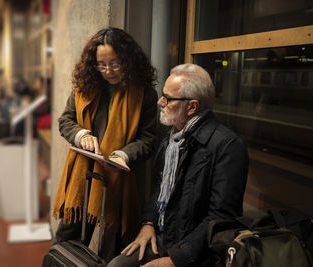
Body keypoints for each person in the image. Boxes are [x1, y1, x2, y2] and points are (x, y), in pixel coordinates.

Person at [107, 63, 249, 267]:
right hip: (164, 237)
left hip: (196, 252)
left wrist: (176, 259)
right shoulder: (172, 139)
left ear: (192, 107)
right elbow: (161, 187)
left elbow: (221, 217)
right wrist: (148, 223)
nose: (159, 102)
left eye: (168, 98)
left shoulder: (228, 146)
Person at [53, 27, 158, 261]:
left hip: (118, 180)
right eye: (101, 64)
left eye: (115, 63)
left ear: (128, 60)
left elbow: (149, 139)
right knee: (65, 244)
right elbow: (65, 121)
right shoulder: (86, 86)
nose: (108, 71)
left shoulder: (145, 94)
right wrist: (81, 135)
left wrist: (124, 154)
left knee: (112, 250)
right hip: (83, 178)